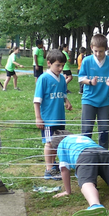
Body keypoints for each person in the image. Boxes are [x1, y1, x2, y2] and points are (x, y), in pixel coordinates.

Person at [34, 49, 72, 180]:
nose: (61, 68)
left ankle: (53, 164)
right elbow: (37, 101)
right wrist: (38, 118)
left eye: (62, 65)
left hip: (60, 117)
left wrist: (67, 101)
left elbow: (63, 92)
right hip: (48, 119)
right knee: (49, 143)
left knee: (56, 142)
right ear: (49, 63)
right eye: (58, 65)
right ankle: (49, 169)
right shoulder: (43, 78)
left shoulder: (62, 78)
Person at [79, 34, 109, 149]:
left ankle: (103, 156)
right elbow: (81, 78)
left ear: (106, 49)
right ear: (91, 47)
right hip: (88, 100)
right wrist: (90, 82)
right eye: (95, 51)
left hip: (104, 102)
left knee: (104, 131)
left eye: (101, 51)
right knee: (86, 130)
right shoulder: (86, 61)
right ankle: (86, 155)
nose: (98, 54)